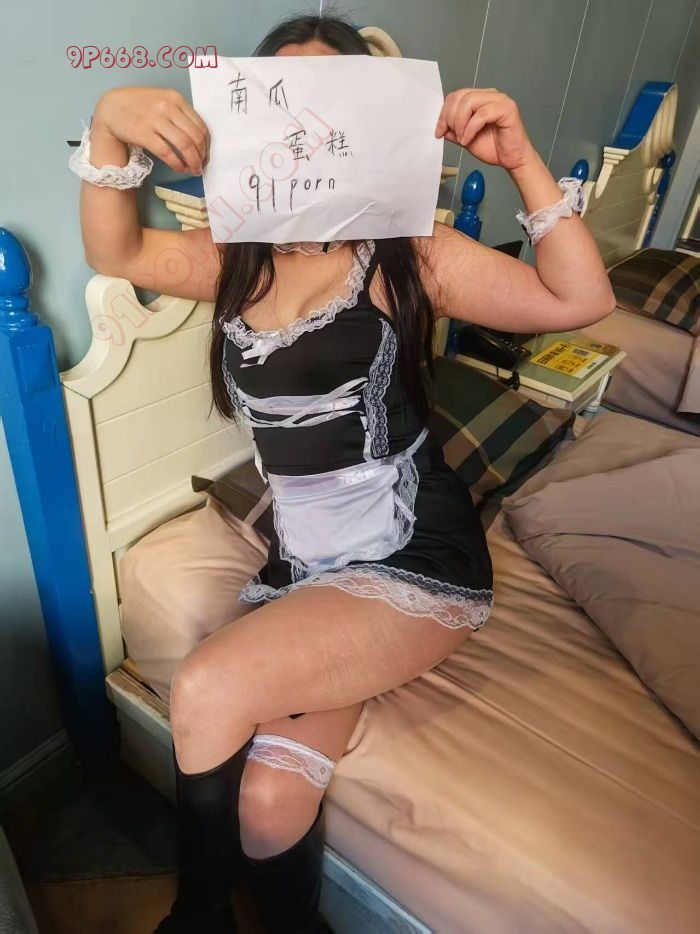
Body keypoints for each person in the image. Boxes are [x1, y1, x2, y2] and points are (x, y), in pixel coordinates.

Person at [70, 13, 615, 933]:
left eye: (331, 98)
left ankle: (196, 918)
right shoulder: (233, 262)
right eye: (281, 97)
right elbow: (114, 251)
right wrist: (108, 125)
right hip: (306, 566)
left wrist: (521, 160)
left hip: (411, 559)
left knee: (205, 686)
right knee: (268, 804)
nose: (304, 122)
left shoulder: (412, 259)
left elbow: (581, 298)